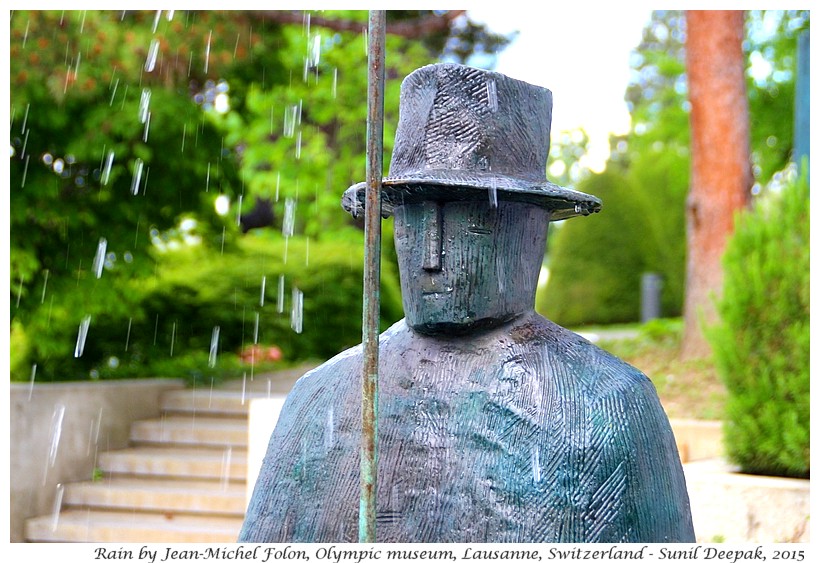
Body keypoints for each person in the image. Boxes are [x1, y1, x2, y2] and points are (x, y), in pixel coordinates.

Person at [239, 63, 695, 543]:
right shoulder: (322, 398)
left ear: (531, 228)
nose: (430, 256)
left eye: (469, 221)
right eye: (414, 220)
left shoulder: (605, 404)